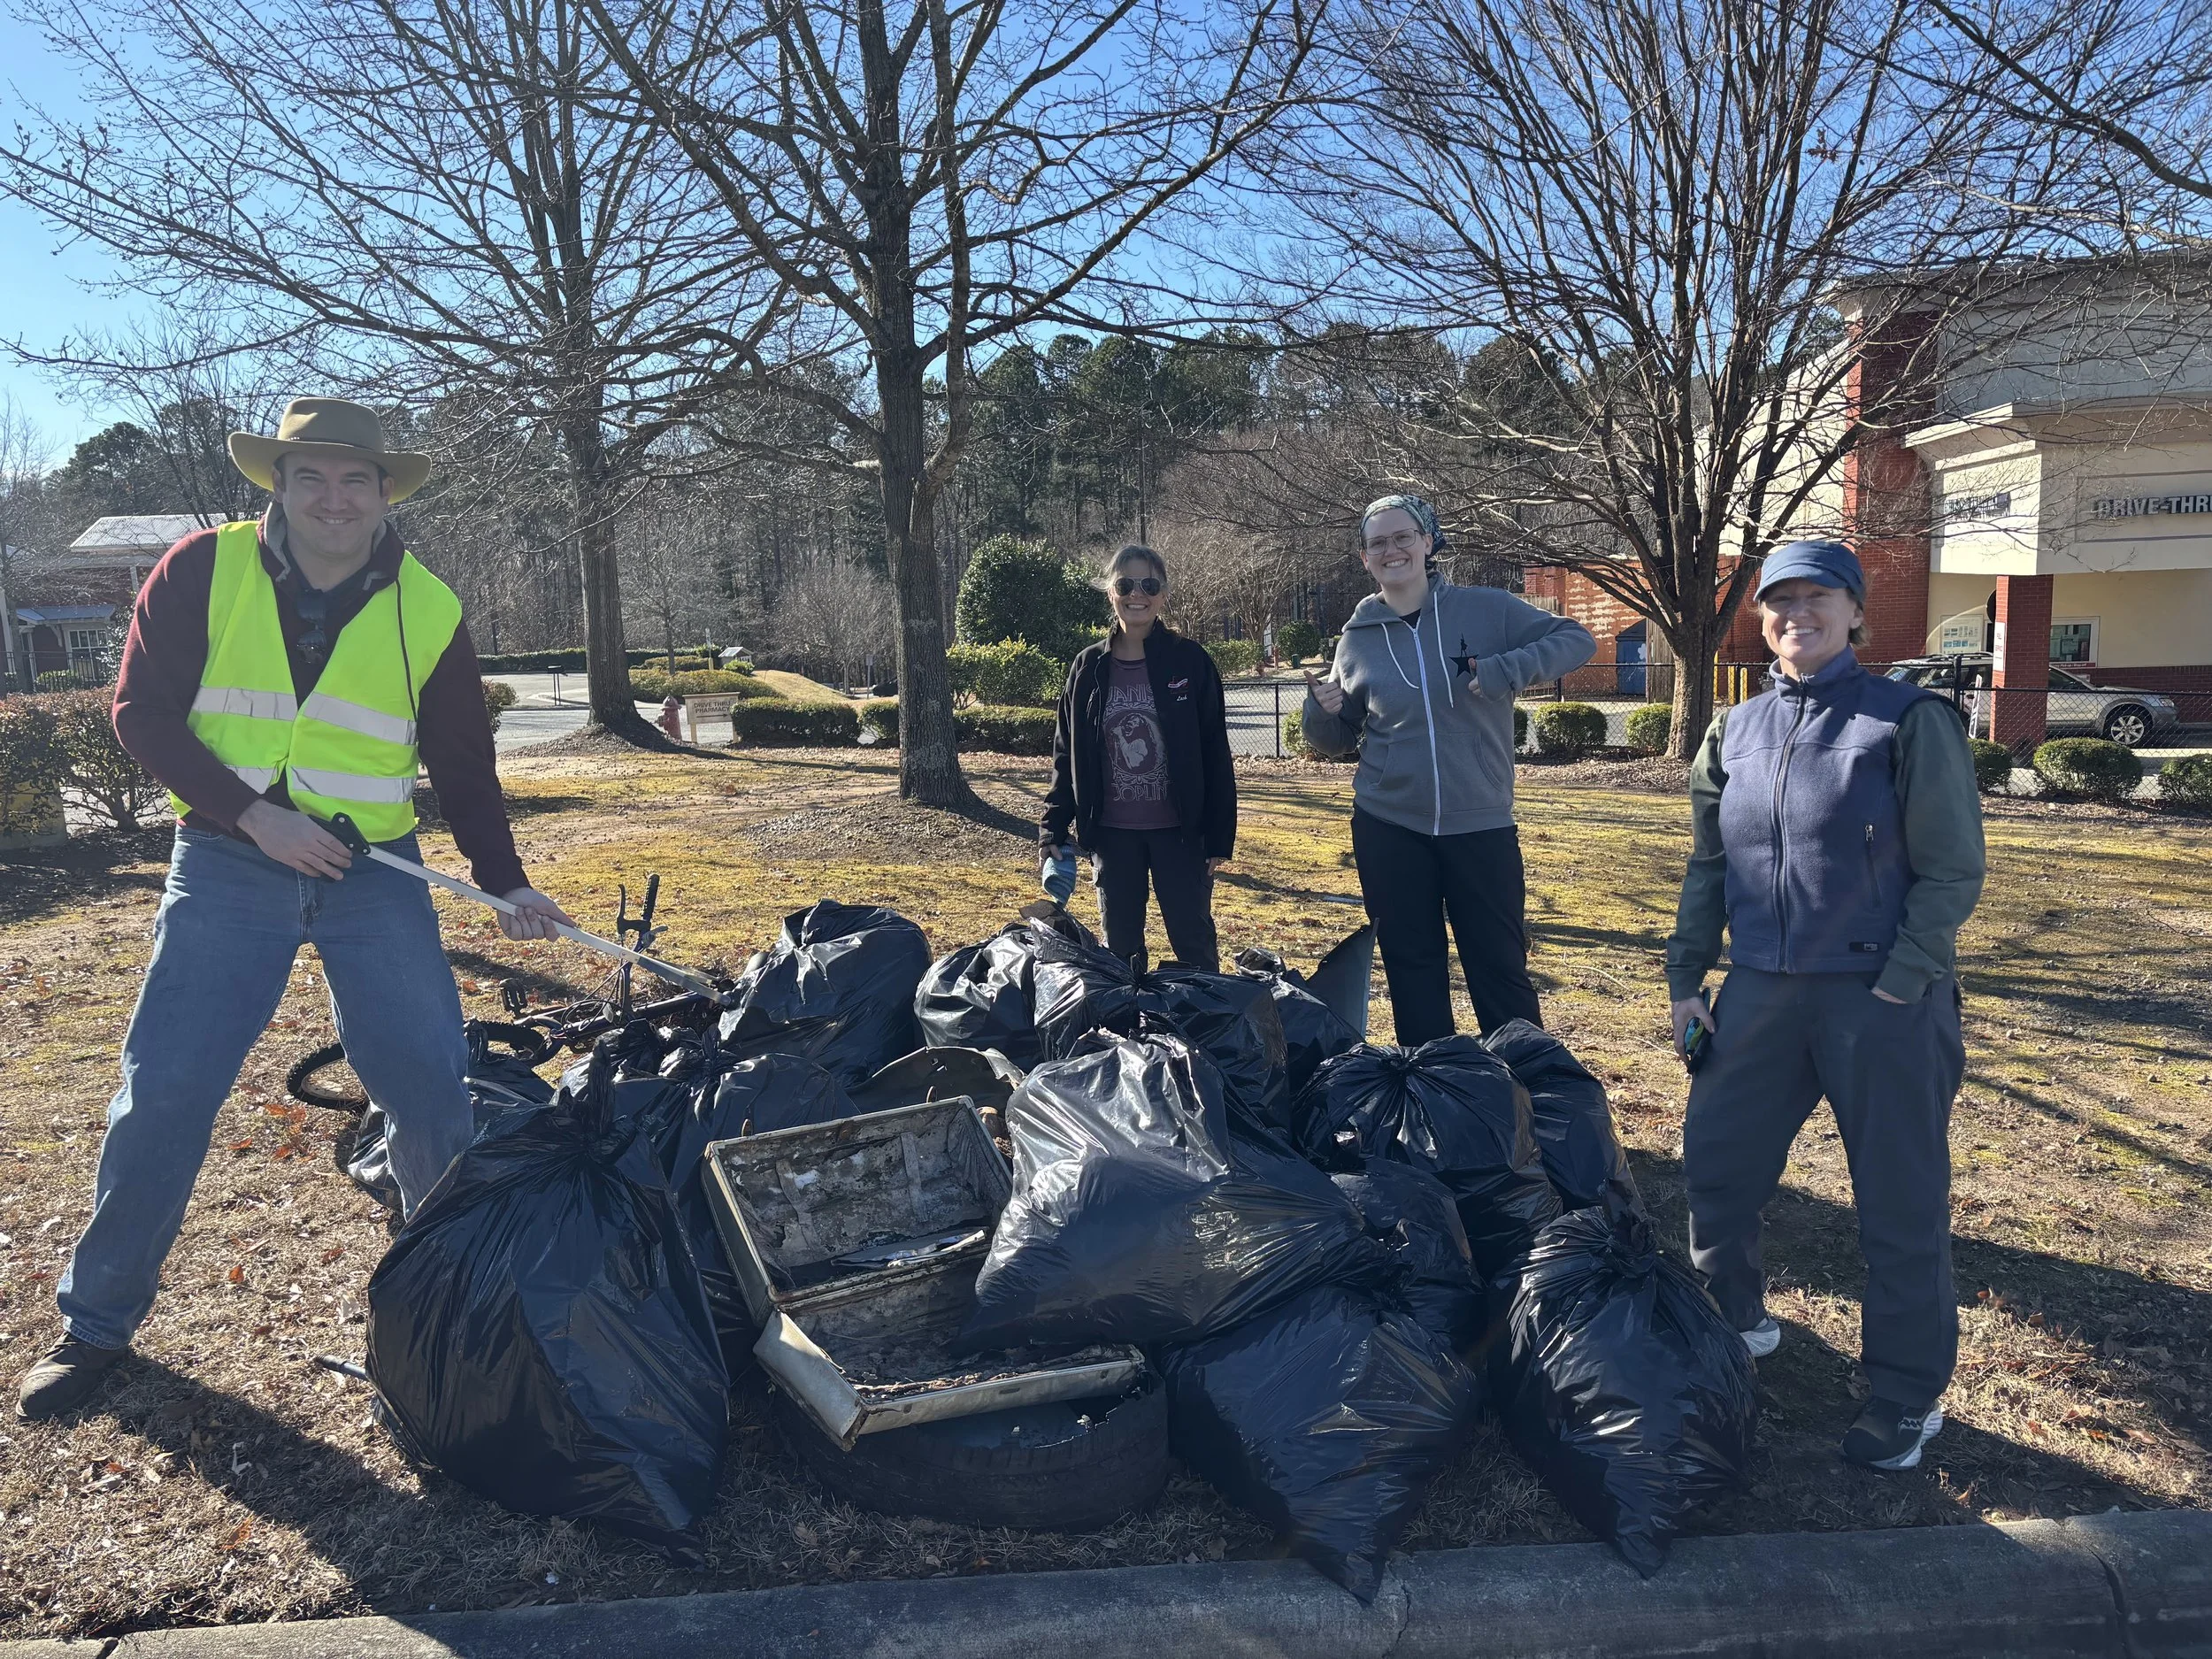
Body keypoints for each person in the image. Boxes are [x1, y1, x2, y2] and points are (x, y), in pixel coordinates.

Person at [18, 397, 576, 1422]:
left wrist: (503, 881)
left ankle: (443, 1305)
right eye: (310, 477)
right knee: (166, 1095)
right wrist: (252, 818)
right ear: (278, 483)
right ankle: (94, 1327)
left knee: (431, 1095)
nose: (333, 497)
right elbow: (140, 712)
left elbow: (461, 761)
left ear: (381, 492)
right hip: (230, 865)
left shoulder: (429, 606)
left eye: (354, 479)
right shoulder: (200, 567)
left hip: (374, 877)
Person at [1665, 538, 1985, 1472]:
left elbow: (1952, 865)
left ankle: (1905, 1392)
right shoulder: (1735, 731)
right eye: (1778, 601)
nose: (1794, 614)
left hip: (1880, 998)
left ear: (1854, 613)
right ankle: (1735, 1325)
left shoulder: (1906, 720)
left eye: (1816, 598)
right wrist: (1688, 979)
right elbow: (1708, 867)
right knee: (1716, 1170)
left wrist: (1903, 974)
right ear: (1759, 618)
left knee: (1897, 1203)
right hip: (1759, 992)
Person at [1302, 495, 1594, 1042]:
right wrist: (1318, 712)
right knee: (1413, 975)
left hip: (1480, 823)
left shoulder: (1487, 609)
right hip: (1388, 826)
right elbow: (1338, 742)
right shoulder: (1356, 638)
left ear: (1429, 542)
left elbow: (1576, 638)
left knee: (1500, 973)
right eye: (1377, 542)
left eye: (1403, 536)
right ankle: (1436, 1099)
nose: (1392, 550)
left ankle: (1526, 1099)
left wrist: (1509, 668)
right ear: (1365, 558)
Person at [1040, 544, 1235, 972]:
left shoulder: (1191, 661)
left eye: (1149, 584)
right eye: (1126, 584)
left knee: (1194, 946)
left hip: (1182, 835)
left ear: (1163, 593)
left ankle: (1208, 1031)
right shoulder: (1087, 667)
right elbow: (1065, 751)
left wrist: (1220, 837)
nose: (1137, 594)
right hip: (1112, 835)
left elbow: (1215, 751)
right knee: (1121, 954)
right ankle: (1129, 1036)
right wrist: (1053, 825)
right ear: (1111, 592)